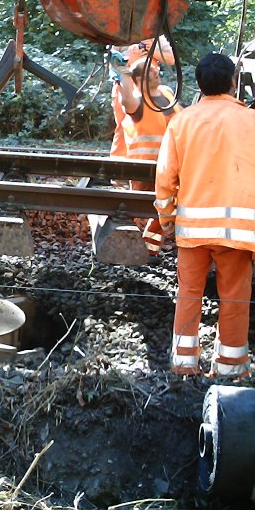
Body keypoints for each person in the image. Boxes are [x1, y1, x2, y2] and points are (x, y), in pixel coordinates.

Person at [154, 52, 255, 377]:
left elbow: (165, 178)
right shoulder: (251, 122)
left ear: (198, 84)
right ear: (233, 83)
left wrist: (167, 220)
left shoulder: (182, 122)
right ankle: (230, 367)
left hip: (192, 231)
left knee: (188, 294)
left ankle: (184, 364)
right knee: (235, 298)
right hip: (239, 233)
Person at [116, 56, 181, 255]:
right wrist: (123, 73)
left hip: (170, 165)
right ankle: (120, 243)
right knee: (134, 208)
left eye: (153, 69)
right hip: (143, 168)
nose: (154, 72)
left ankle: (149, 248)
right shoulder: (137, 101)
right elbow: (126, 100)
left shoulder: (168, 94)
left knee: (167, 206)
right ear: (138, 80)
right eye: (148, 70)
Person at [109, 36, 175, 157]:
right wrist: (127, 58)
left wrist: (153, 51)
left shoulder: (155, 33)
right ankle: (118, 168)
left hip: (150, 90)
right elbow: (112, 61)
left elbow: (171, 58)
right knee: (122, 130)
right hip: (126, 87)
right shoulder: (119, 31)